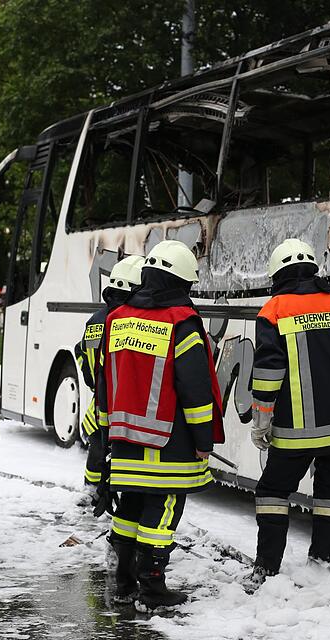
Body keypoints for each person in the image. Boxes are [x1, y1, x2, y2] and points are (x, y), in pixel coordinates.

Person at [95, 240, 225, 613]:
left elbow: (104, 380)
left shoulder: (118, 318)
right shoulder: (181, 323)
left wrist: (107, 434)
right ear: (181, 282)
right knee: (163, 507)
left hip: (124, 437)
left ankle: (123, 584)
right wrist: (204, 440)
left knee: (130, 505)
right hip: (169, 440)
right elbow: (195, 390)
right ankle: (152, 589)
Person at [246, 238, 330, 591]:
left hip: (296, 433)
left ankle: (266, 568)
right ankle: (321, 564)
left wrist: (261, 421)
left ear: (277, 275)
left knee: (272, 492)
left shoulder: (274, 311)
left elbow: (268, 373)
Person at [75, 255, 144, 506]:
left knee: (97, 445)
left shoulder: (96, 319)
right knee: (119, 450)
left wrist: (92, 381)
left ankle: (91, 489)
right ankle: (112, 492)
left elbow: (81, 350)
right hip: (122, 403)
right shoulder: (129, 321)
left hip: (99, 401)